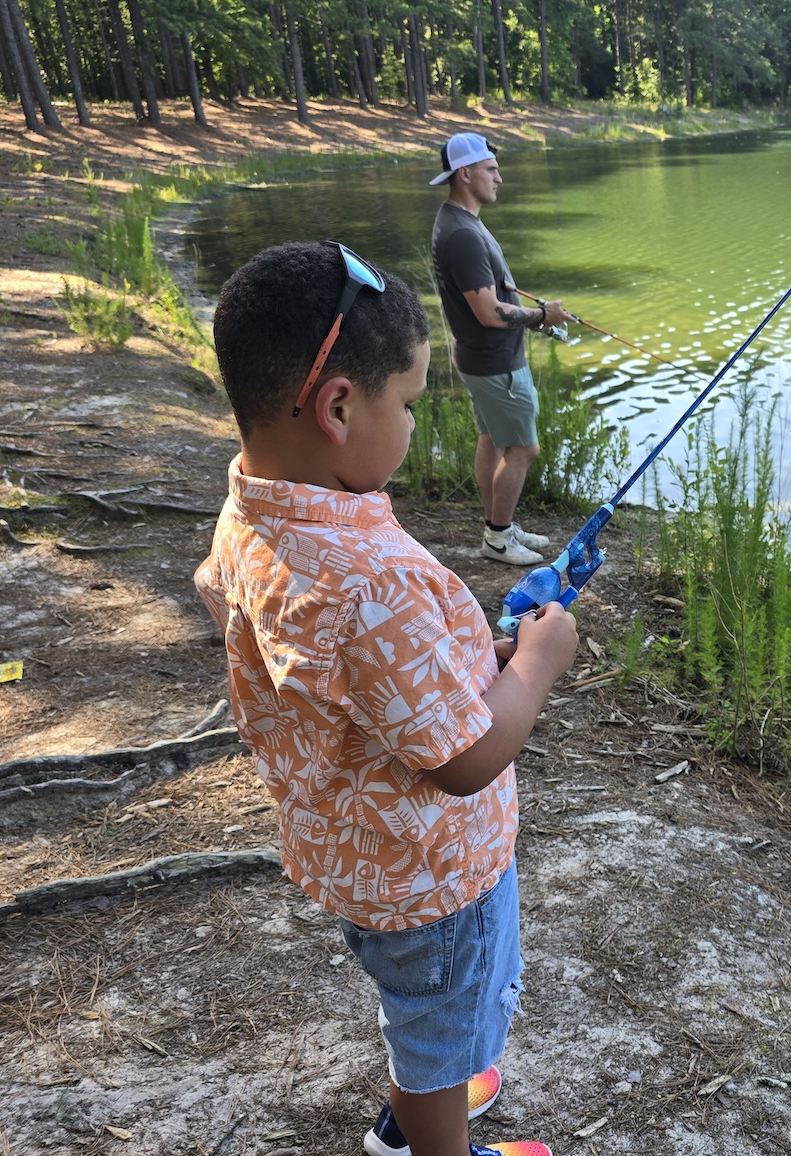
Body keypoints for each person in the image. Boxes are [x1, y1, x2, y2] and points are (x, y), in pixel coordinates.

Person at [194, 240, 577, 1156]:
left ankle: (429, 1090)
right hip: (433, 874)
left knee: (420, 1000)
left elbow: (338, 674)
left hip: (355, 854)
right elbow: (465, 758)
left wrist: (458, 657)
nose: (411, 424)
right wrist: (536, 666)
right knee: (440, 1012)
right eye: (406, 403)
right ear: (336, 407)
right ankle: (431, 1135)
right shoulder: (371, 579)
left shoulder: (251, 511)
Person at [430, 132, 568, 567]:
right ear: (465, 173)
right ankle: (497, 538)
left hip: (481, 358)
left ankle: (499, 525)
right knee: (523, 450)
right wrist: (543, 316)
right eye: (491, 169)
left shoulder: (461, 221)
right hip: (495, 363)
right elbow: (489, 313)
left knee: (492, 439)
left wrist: (533, 315)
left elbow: (492, 296)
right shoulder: (462, 235)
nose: (499, 178)